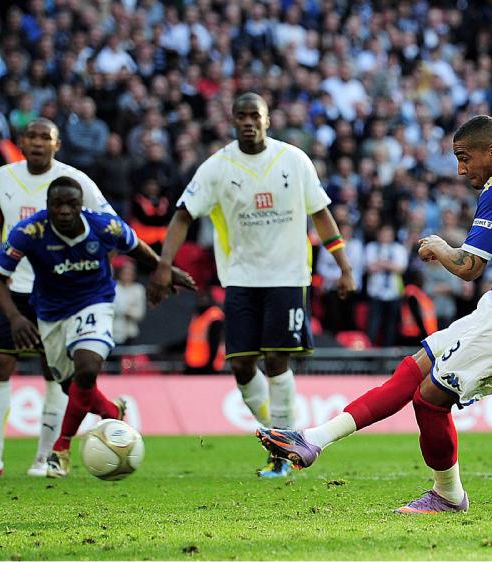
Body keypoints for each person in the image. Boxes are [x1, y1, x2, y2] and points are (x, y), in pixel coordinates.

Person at [258, 115, 492, 513]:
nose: (461, 170)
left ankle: (447, 495)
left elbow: (468, 266)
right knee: (413, 369)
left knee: (430, 399)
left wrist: (439, 247)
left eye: (465, 159)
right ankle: (314, 438)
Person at [148, 92, 356, 478]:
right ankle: (281, 432)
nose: (248, 122)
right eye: (241, 115)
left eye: (254, 115)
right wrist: (163, 264)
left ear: (267, 119)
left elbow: (321, 214)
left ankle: (281, 451)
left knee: (276, 359)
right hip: (241, 278)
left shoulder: (293, 160)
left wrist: (343, 265)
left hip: (287, 276)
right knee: (242, 365)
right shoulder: (217, 166)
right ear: (232, 121)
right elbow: (182, 215)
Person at [0, 177, 194, 478]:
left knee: (87, 367)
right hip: (50, 313)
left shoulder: (104, 226)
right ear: (47, 206)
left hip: (93, 302)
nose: (64, 211)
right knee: (70, 386)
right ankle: (112, 413)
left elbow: (135, 246)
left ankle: (60, 448)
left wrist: (164, 269)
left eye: (71, 204)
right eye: (57, 204)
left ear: (80, 205)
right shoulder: (29, 231)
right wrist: (15, 317)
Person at [0, 119, 115, 478]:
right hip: (14, 290)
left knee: (55, 374)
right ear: (21, 142)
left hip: (59, 294)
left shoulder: (76, 181)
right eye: (32, 136)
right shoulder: (1, 178)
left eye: (46, 137)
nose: (39, 143)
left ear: (57, 144)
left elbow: (110, 224)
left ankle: (45, 458)